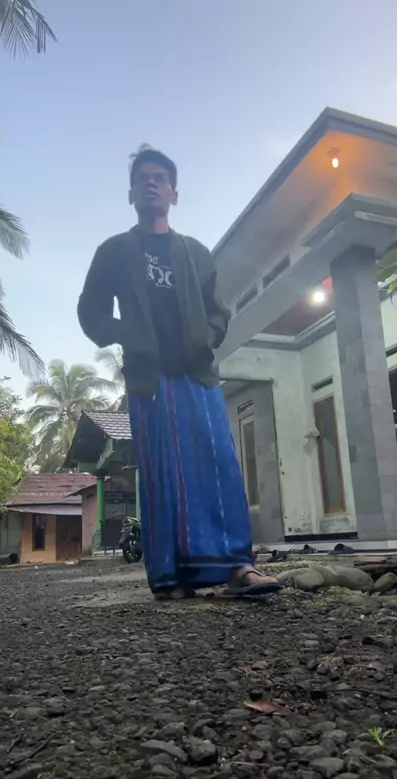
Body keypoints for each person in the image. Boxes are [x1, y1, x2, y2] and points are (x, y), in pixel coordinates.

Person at [77, 147, 280, 600]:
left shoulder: (195, 253)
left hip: (197, 376)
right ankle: (170, 578)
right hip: (149, 381)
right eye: (143, 178)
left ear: (174, 193)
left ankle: (238, 567)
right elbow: (90, 312)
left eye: (160, 178)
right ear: (131, 193)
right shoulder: (114, 251)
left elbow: (218, 313)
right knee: (161, 473)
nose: (151, 183)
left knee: (219, 464)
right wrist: (126, 333)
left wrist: (204, 339)